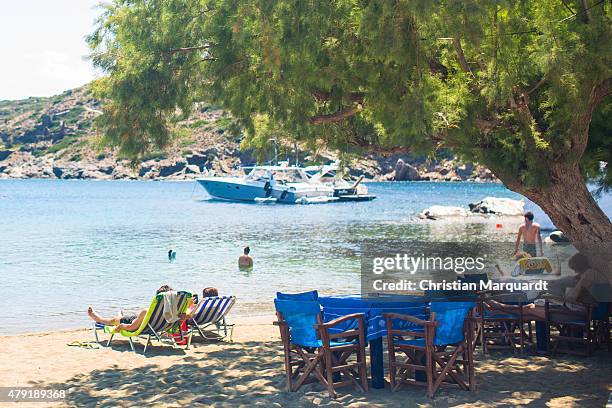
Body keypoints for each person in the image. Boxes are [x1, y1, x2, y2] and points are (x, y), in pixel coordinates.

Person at [87, 285, 173, 332]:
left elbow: (131, 327)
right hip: (154, 327)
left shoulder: (146, 311)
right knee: (133, 316)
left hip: (137, 323)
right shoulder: (174, 311)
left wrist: (121, 326)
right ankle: (120, 315)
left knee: (114, 320)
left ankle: (99, 319)